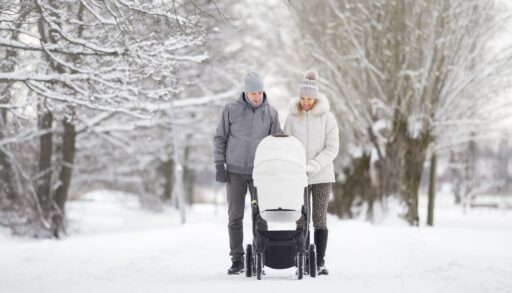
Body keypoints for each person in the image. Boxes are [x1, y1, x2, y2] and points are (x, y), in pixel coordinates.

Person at [213, 72, 281, 275]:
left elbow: (276, 144)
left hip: (260, 174)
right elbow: (220, 138)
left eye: (259, 92)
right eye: (253, 92)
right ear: (245, 91)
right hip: (234, 173)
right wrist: (219, 164)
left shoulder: (271, 113)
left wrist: (275, 170)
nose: (257, 96)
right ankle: (237, 260)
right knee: (235, 217)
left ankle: (260, 257)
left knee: (261, 216)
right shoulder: (230, 110)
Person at [283, 69, 339, 275]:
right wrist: (296, 167)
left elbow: (332, 148)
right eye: (303, 98)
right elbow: (286, 145)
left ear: (316, 98)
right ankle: (303, 257)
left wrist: (313, 165)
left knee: (319, 218)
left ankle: (319, 261)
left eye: (310, 99)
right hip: (298, 177)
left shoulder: (328, 118)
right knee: (300, 217)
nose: (306, 102)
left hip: (322, 175)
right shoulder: (291, 118)